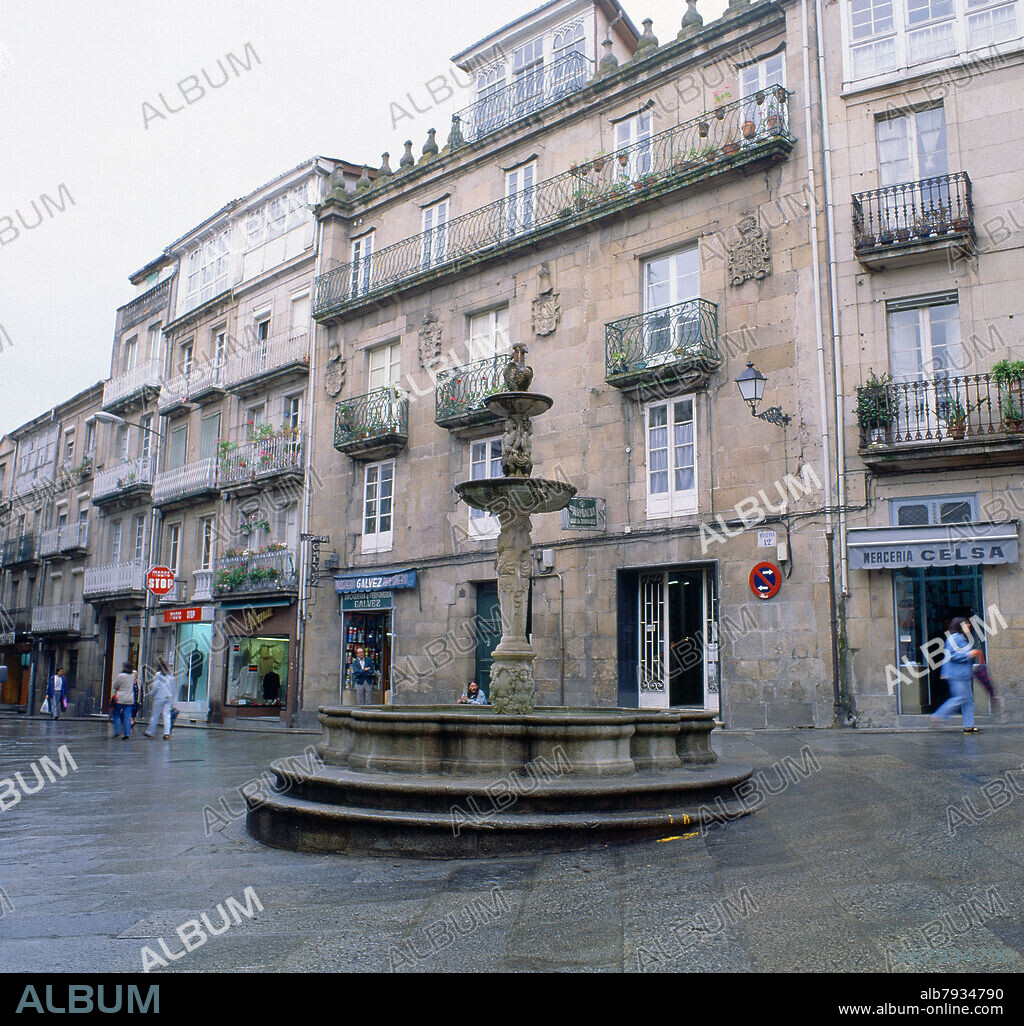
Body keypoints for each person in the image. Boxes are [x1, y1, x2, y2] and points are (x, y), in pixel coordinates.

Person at [932, 617, 982, 734]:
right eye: (967, 624)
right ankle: (939, 715)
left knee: (968, 700)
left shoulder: (960, 638)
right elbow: (953, 655)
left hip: (962, 674)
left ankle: (968, 726)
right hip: (957, 674)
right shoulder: (954, 638)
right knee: (961, 698)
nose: (969, 626)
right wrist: (970, 654)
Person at [144, 658, 175, 740]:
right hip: (168, 697)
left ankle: (150, 732)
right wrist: (172, 697)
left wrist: (152, 693)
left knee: (155, 715)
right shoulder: (171, 675)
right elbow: (173, 688)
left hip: (159, 697)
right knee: (167, 715)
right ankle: (166, 733)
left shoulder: (158, 675)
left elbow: (156, 686)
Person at [110, 662, 136, 741]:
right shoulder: (133, 676)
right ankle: (127, 735)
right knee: (127, 716)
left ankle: (117, 732)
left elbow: (115, 686)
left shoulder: (120, 676)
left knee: (117, 714)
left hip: (120, 698)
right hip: (130, 699)